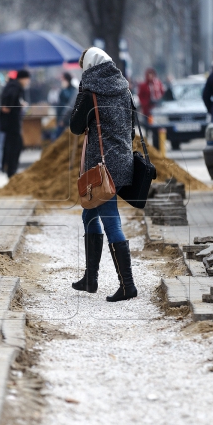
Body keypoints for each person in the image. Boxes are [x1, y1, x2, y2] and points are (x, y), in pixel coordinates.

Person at [69, 47, 137, 303]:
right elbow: (131, 127)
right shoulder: (124, 88)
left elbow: (75, 127)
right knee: (89, 214)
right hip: (123, 161)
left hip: (101, 168)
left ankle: (128, 285)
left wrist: (81, 95)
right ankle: (90, 278)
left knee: (111, 222)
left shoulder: (90, 92)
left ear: (88, 66)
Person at [0, 69, 30, 178]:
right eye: (27, 79)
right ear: (22, 78)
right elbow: (7, 106)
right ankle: (11, 171)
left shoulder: (11, 85)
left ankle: (9, 168)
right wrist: (12, 107)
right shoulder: (16, 87)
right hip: (12, 123)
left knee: (11, 145)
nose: (28, 82)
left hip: (9, 124)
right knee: (16, 146)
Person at [55, 72, 76, 140]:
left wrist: (62, 119)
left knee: (59, 139)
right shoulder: (69, 90)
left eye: (62, 79)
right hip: (66, 118)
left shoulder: (69, 91)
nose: (61, 81)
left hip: (66, 119)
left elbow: (68, 107)